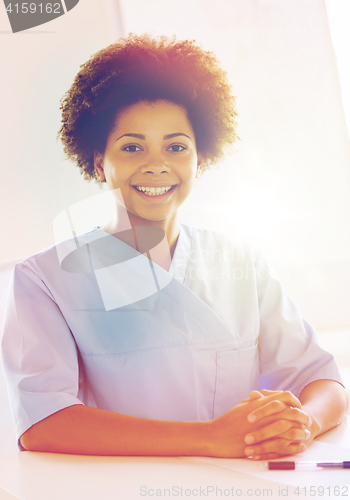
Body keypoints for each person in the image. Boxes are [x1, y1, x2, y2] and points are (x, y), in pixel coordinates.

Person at [1, 34, 348, 461]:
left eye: (176, 146)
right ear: (97, 159)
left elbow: (321, 377)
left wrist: (304, 423)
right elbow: (43, 421)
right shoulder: (45, 279)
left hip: (246, 486)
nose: (156, 164)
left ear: (199, 158)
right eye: (132, 147)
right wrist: (210, 438)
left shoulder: (241, 262)